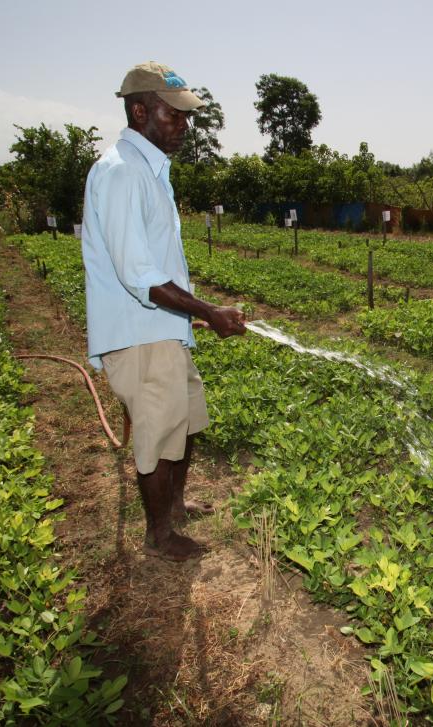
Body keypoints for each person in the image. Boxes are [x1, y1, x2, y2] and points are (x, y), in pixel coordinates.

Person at [81, 61, 246, 562]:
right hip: (138, 336)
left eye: (185, 115)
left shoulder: (151, 172)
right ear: (139, 111)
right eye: (174, 115)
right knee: (157, 434)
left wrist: (189, 315)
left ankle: (174, 505)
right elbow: (141, 275)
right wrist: (208, 310)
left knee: (186, 420)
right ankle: (159, 535)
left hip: (160, 328)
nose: (184, 125)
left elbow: (153, 265)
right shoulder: (121, 173)